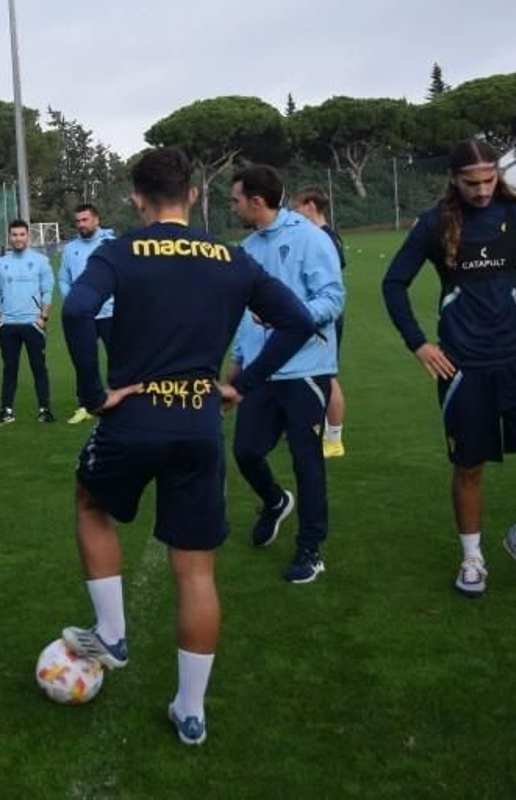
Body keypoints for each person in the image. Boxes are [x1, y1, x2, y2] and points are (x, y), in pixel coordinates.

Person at [57, 149, 315, 746]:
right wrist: (242, 386)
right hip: (198, 420)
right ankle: (191, 711)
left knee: (91, 503)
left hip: (133, 418)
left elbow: (75, 308)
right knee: (195, 569)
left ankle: (112, 632)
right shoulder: (231, 257)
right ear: (194, 195)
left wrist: (95, 392)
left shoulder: (118, 252)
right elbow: (299, 321)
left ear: (137, 199)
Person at [382, 138, 516, 598]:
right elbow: (393, 283)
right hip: (462, 366)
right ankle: (473, 557)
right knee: (469, 467)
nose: (483, 190)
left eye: (489, 180)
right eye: (472, 183)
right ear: (454, 179)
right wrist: (419, 344)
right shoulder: (434, 224)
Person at [227, 166, 345, 584]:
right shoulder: (245, 249)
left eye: (236, 199)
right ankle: (275, 501)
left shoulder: (310, 238)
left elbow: (333, 298)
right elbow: (244, 314)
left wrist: (290, 318)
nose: (233, 205)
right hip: (261, 371)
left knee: (305, 458)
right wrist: (239, 361)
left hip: (305, 368)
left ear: (257, 201)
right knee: (245, 451)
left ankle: (310, 548)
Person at [291, 186, 349, 458]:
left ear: (310, 205)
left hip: (324, 315)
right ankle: (304, 426)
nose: (293, 212)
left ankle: (334, 438)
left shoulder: (324, 237)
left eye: (296, 206)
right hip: (313, 313)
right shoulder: (320, 236)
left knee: (328, 376)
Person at [0, 219, 56, 425]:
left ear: (28, 236)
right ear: (9, 237)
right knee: (10, 369)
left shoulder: (40, 261)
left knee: (39, 367)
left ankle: (45, 409)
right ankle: (6, 410)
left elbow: (47, 290)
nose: (18, 238)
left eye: (22, 234)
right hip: (8, 325)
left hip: (33, 325)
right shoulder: (2, 263)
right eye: (14, 235)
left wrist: (42, 318)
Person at [57, 204, 116, 425]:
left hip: (111, 313)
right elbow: (63, 278)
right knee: (84, 362)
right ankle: (86, 405)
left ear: (96, 219)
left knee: (119, 359)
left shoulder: (111, 243)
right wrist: (73, 300)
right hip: (83, 318)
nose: (81, 224)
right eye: (78, 221)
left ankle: (118, 400)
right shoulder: (70, 249)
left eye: (85, 220)